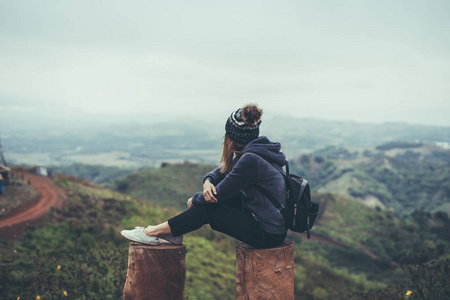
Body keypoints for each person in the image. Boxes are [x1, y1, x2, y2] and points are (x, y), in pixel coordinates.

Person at [121, 104, 287, 248]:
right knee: (209, 204)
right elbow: (221, 172)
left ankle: (152, 232)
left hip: (267, 233)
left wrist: (195, 199)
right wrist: (208, 181)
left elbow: (218, 195)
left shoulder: (251, 160)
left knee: (208, 209)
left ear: (232, 137)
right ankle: (170, 234)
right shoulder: (256, 151)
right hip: (268, 224)